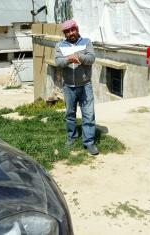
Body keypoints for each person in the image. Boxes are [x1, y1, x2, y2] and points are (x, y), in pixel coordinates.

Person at [54, 19, 99, 155]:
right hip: (69, 86)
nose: (70, 33)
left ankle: (89, 142)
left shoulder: (86, 42)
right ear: (65, 33)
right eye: (67, 31)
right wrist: (68, 59)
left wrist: (79, 56)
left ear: (77, 29)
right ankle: (71, 138)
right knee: (69, 114)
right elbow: (57, 62)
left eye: (72, 30)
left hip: (85, 85)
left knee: (88, 114)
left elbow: (91, 58)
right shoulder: (59, 45)